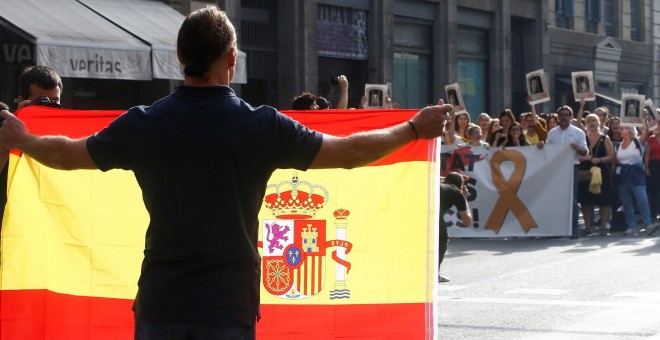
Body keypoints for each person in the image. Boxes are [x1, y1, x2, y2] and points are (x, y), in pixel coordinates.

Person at [0, 6, 452, 339]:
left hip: (161, 302)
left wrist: (25, 140)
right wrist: (413, 128)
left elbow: (68, 154)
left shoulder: (146, 123)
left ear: (179, 57)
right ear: (231, 58)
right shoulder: (260, 125)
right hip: (227, 307)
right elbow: (350, 152)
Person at [0, 65, 63, 229]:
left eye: (55, 101)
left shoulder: (65, 131)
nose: (48, 106)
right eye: (41, 101)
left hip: (47, 226)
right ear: (22, 100)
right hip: (9, 223)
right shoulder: (6, 128)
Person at [538, 105, 588, 239]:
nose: (564, 117)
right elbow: (548, 151)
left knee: (572, 200)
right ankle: (556, 229)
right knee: (555, 199)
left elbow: (585, 151)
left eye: (567, 115)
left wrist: (577, 147)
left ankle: (574, 228)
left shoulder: (578, 132)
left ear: (571, 117)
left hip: (572, 168)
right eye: (562, 115)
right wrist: (542, 146)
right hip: (556, 170)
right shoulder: (552, 133)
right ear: (558, 117)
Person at [612, 125, 657, 236]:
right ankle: (631, 227)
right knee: (626, 202)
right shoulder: (619, 145)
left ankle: (648, 224)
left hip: (636, 174)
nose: (619, 130)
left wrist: (645, 119)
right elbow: (615, 162)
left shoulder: (637, 142)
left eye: (622, 128)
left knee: (642, 198)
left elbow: (646, 132)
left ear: (629, 130)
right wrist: (611, 176)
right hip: (622, 175)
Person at [577, 113, 614, 236]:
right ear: (586, 124)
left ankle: (603, 227)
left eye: (594, 120)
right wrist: (585, 158)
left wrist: (600, 160)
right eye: (588, 121)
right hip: (586, 171)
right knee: (585, 200)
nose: (591, 123)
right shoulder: (583, 138)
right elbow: (577, 156)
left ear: (598, 123)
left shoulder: (605, 138)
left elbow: (611, 155)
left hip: (601, 171)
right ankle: (588, 227)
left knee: (603, 200)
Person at [438, 172, 472, 283]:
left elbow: (437, 177)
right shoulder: (457, 192)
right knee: (442, 239)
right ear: (461, 186)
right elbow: (467, 221)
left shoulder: (436, 183)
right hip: (433, 214)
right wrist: (465, 198)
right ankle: (434, 273)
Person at [645, 124, 660, 235]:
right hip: (654, 165)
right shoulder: (652, 138)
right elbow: (647, 154)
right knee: (653, 192)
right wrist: (646, 167)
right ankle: (653, 216)